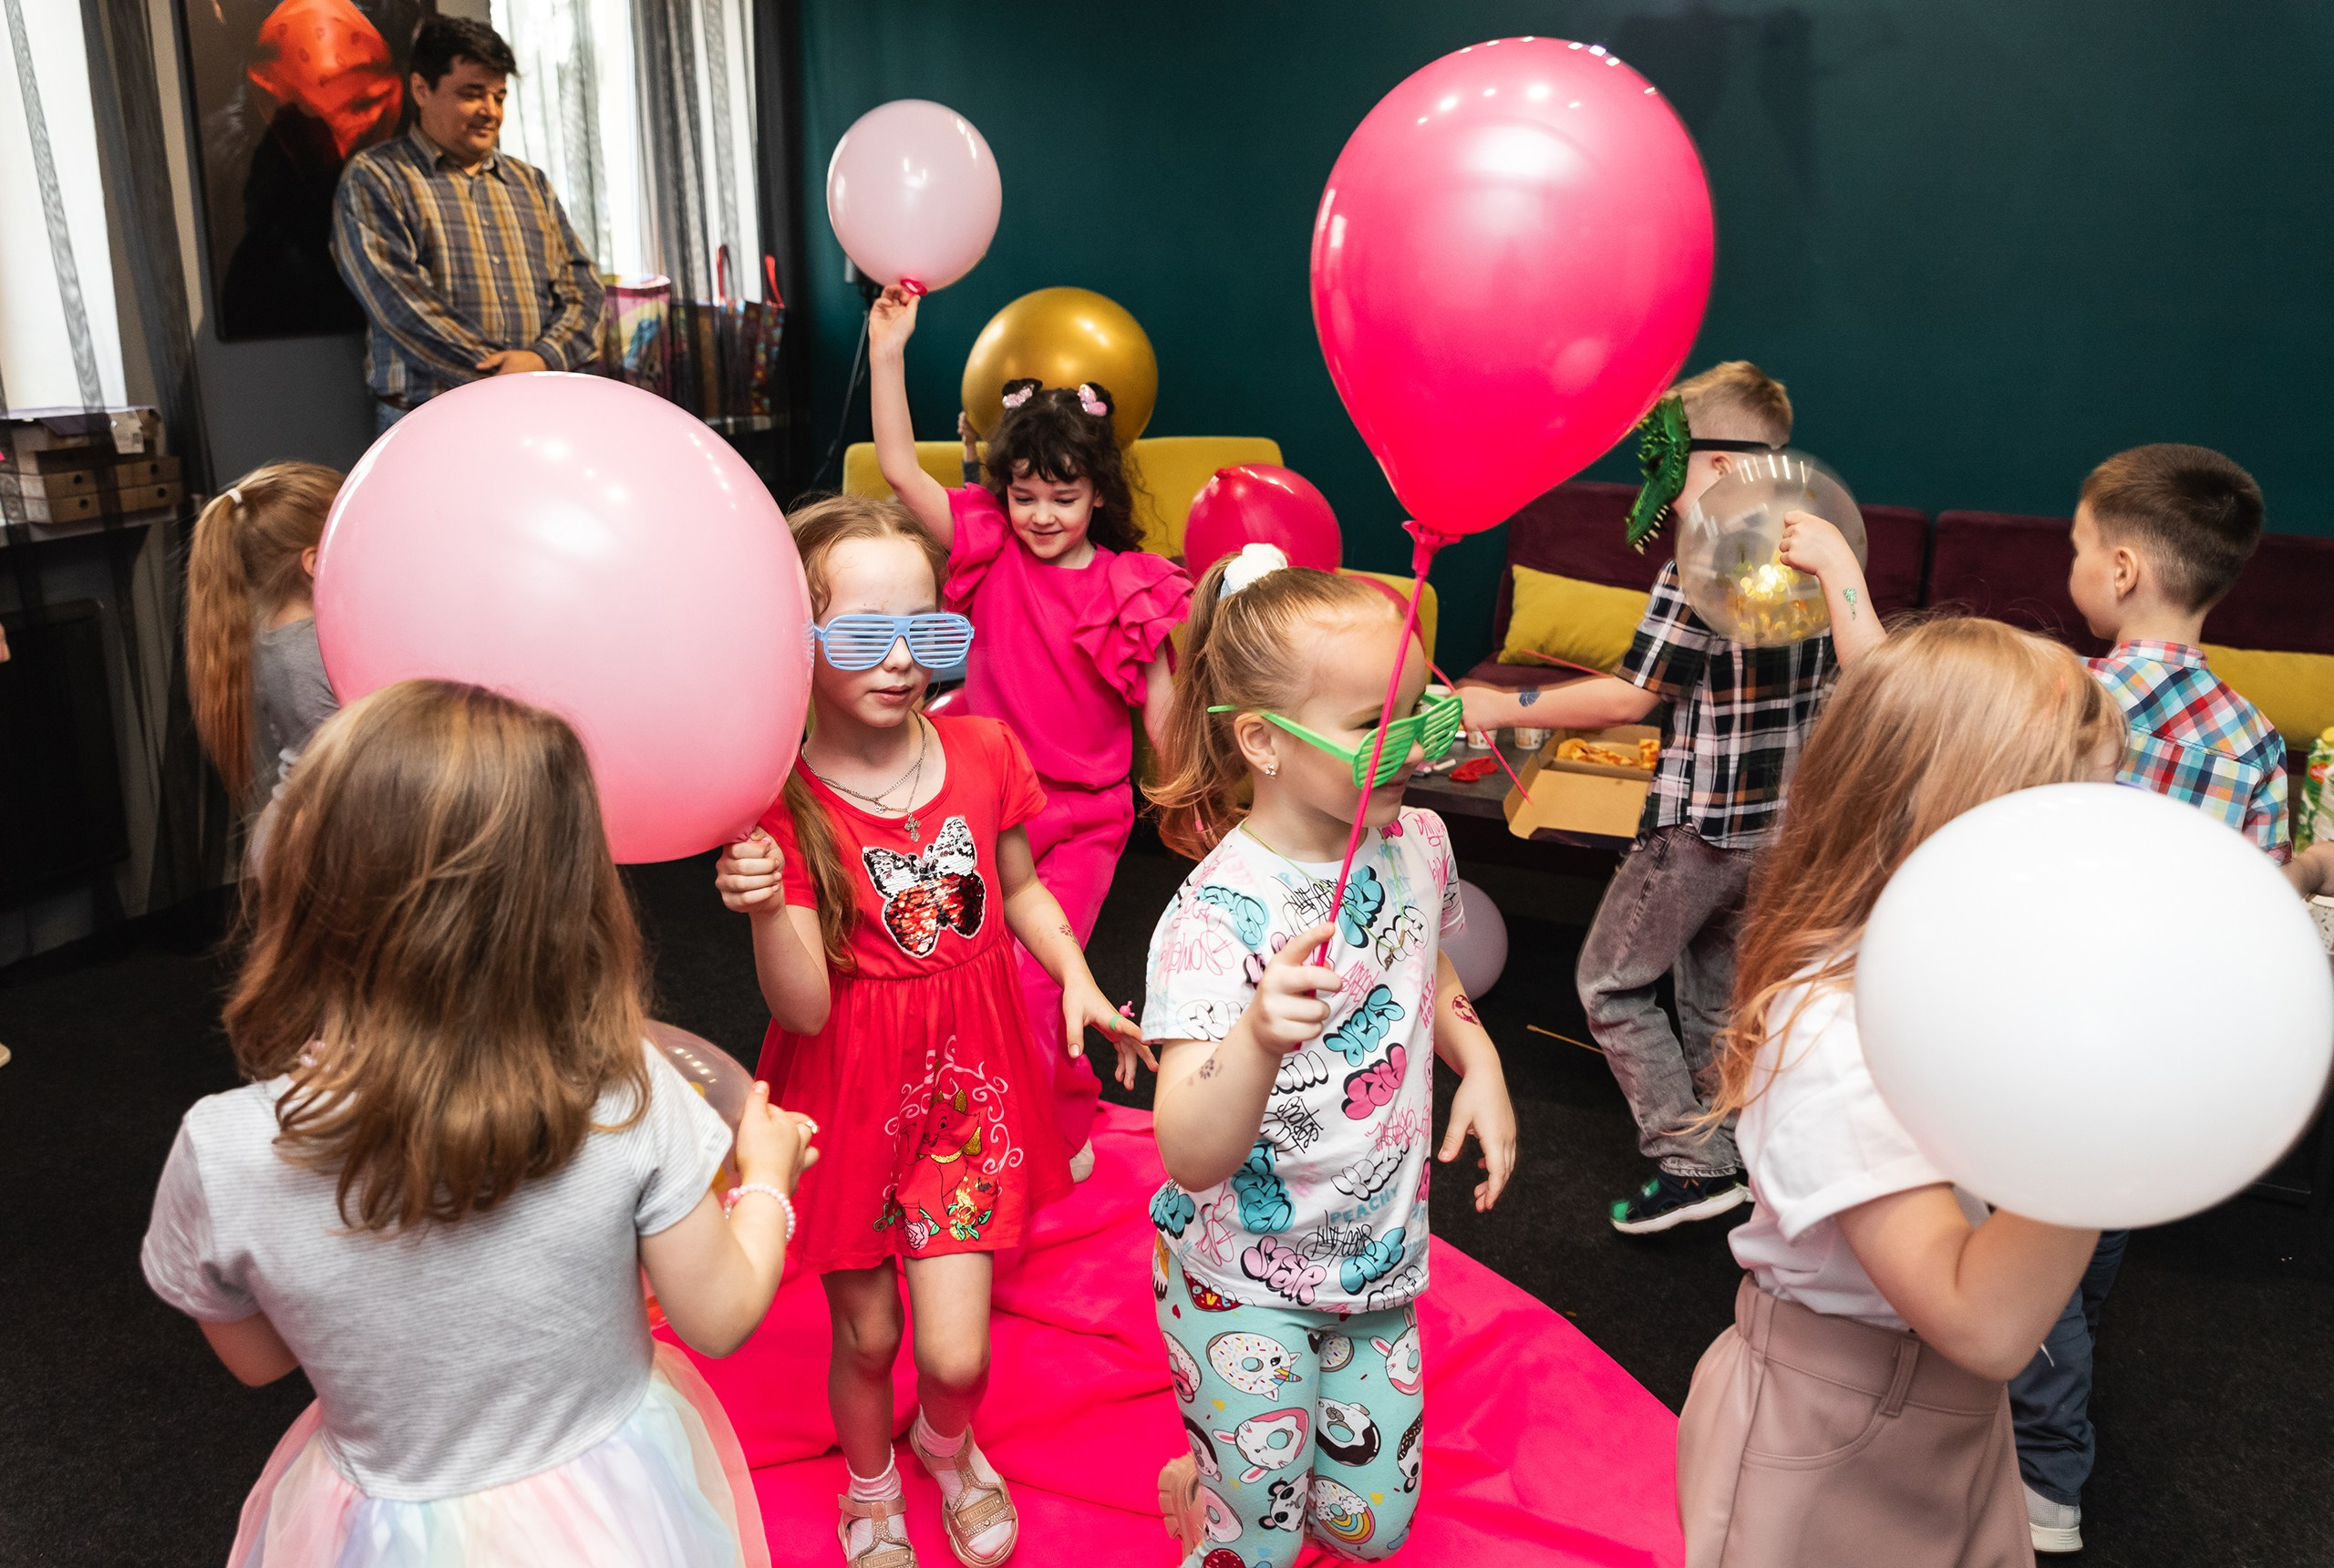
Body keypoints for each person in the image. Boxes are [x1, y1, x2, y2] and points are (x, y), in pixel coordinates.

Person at [140, 680, 813, 1565]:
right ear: (566, 899)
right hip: (609, 1510)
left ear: (306, 885)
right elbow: (719, 1314)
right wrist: (766, 1175)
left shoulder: (220, 1148)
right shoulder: (626, 1091)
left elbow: (260, 1359)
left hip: (381, 1524)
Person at [712, 495, 1149, 1568]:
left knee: (955, 1354)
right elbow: (803, 1007)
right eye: (864, 634)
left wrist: (1079, 978)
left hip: (972, 1087)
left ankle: (943, 1443)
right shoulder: (779, 800)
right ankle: (871, 1486)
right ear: (796, 642)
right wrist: (771, 902)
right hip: (848, 1087)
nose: (903, 659)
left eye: (931, 630)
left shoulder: (985, 749)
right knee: (867, 1333)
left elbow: (1023, 890)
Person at [1676, 616, 2123, 1568]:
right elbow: (1984, 1318)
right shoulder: (1834, 1035)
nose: (2106, 855)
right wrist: (2118, 1092)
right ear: (1953, 816)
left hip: (1943, 1409)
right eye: (2073, 817)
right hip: (1839, 1419)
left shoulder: (1953, 979)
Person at [1140, 544, 1518, 1565]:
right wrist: (1258, 1035)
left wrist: (1476, 1059)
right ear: (1262, 741)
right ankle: (1213, 1488)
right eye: (1371, 726)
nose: (1408, 747)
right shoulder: (1215, 917)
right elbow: (1187, 1148)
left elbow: (1425, 961)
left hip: (1379, 1267)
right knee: (1253, 1542)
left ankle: (1215, 1471)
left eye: (1417, 714)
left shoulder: (1419, 845)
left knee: (1367, 1528)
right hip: (1239, 1280)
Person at [1461, 362, 1874, 1233]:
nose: (1664, 493)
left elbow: (1631, 696)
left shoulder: (1704, 564)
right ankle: (1738, 1150)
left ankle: (1691, 1163)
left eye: (1671, 466)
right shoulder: (1810, 555)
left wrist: (1498, 703)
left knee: (1610, 986)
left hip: (1696, 827)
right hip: (1777, 827)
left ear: (1722, 467)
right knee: (1718, 996)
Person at [2000, 442, 2290, 1553]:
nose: (2070, 562)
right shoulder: (2253, 738)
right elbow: (2255, 909)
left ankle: (2045, 1481)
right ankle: (2046, 1366)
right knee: (2090, 1235)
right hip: (2159, 1047)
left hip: (2044, 1033)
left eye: (2076, 546)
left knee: (2030, 1255)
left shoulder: (2064, 699)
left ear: (2119, 570)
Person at [868, 284, 1192, 1182]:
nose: (1042, 514)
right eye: (1024, 495)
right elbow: (899, 470)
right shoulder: (984, 546)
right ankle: (967, 1115)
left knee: (1035, 980)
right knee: (955, 976)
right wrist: (887, 349)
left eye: (1063, 495)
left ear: (1097, 494)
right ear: (1001, 494)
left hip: (1082, 822)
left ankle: (1059, 1116)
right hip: (982, 811)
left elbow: (1162, 716)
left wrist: (1189, 803)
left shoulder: (1129, 585)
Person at [331, 15, 604, 435]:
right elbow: (399, 304)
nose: (490, 112)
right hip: (428, 417)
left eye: (499, 96)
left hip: (537, 407)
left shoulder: (530, 183)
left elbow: (582, 288)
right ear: (422, 89)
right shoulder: (376, 178)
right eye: (472, 94)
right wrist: (503, 376)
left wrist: (543, 358)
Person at [185, 463, 343, 810]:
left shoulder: (271, 638)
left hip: (298, 817)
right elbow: (362, 768)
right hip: (317, 834)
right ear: (315, 563)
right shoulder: (315, 653)